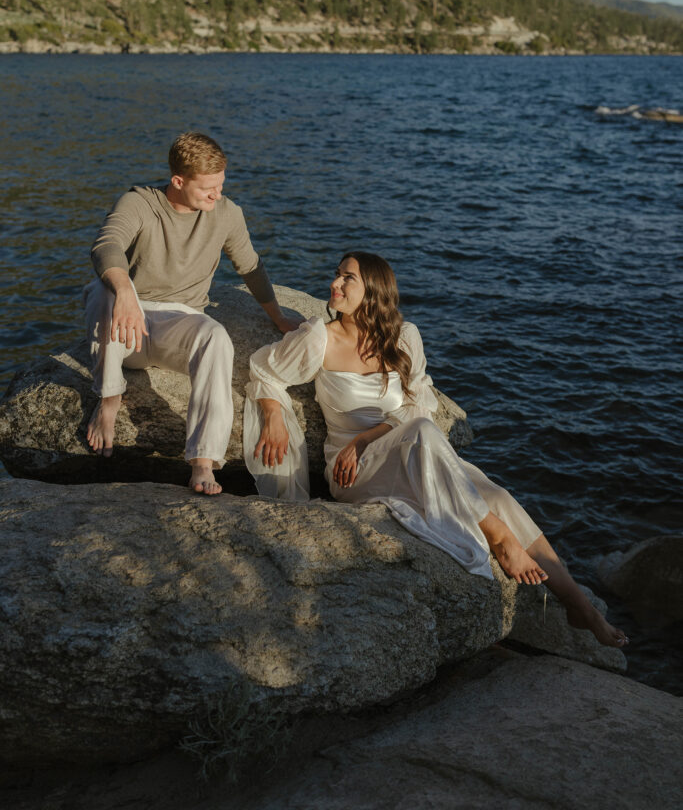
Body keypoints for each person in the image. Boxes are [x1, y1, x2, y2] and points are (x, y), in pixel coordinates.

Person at [243, 251, 628, 648]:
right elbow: (264, 371)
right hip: (355, 472)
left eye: (347, 279)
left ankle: (579, 604)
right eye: (336, 275)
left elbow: (419, 405)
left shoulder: (404, 336)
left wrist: (365, 437)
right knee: (427, 435)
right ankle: (498, 537)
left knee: (498, 495)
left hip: (407, 451)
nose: (334, 285)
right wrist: (273, 413)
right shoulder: (319, 337)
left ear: (373, 292)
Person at [84, 132, 299, 496]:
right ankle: (109, 401)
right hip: (124, 327)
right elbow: (107, 245)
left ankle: (202, 461)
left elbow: (251, 268)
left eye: (221, 185)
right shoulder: (139, 203)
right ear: (178, 181)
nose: (217, 195)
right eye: (207, 188)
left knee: (215, 336)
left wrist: (278, 317)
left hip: (176, 323)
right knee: (104, 290)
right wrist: (125, 292)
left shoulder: (226, 214)